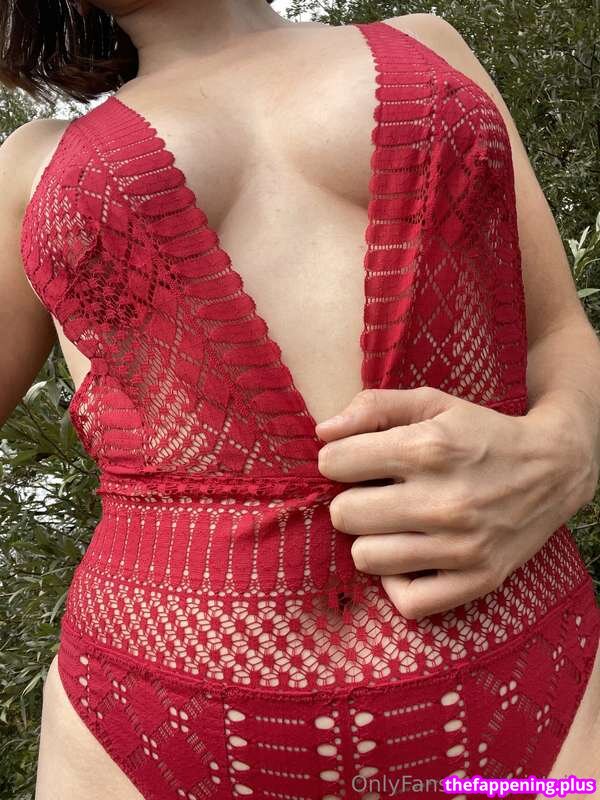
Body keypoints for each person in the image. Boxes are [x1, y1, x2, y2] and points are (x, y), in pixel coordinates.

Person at [1, 1, 600, 798]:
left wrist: (574, 445)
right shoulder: (30, 161)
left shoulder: (427, 44)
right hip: (140, 722)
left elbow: (557, 331)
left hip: (531, 674)